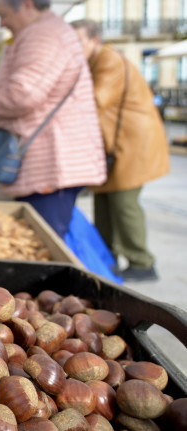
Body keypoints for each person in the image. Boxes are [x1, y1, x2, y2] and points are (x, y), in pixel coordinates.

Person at [0, 0, 106, 239]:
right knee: (42, 237)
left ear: (27, 4)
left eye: (4, 13)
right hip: (49, 164)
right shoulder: (45, 32)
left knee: (44, 241)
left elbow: (22, 96)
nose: (2, 22)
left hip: (53, 164)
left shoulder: (43, 35)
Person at [72, 19, 170, 281]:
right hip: (116, 145)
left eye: (77, 41)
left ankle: (142, 262)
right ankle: (108, 256)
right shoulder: (92, 62)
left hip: (132, 143)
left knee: (124, 204)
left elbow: (94, 100)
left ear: (95, 40)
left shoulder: (108, 60)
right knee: (103, 202)